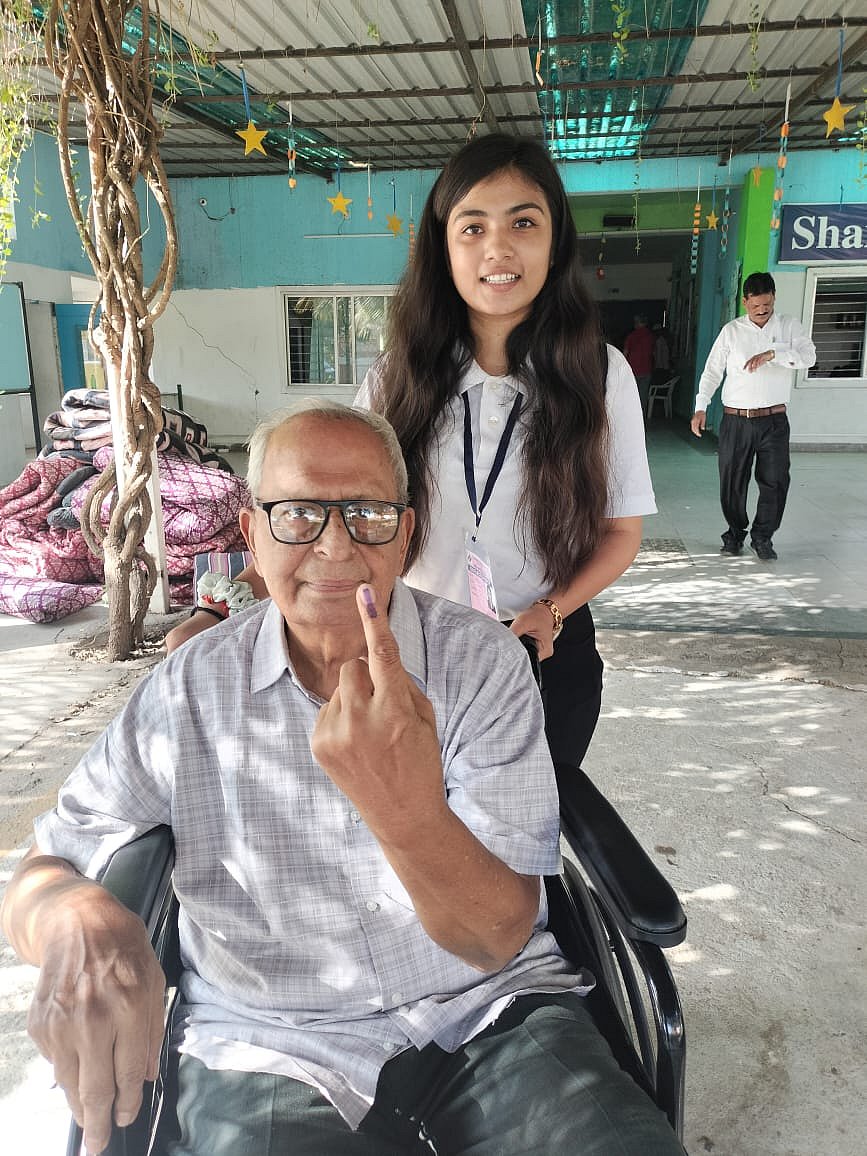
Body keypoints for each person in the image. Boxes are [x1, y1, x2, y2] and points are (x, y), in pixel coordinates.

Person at [1, 402, 683, 1156]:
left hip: (489, 1010)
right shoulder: (190, 690)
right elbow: (42, 870)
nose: (334, 546)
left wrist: (403, 806)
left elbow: (495, 939)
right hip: (270, 1035)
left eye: (366, 512)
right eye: (297, 514)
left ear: (406, 535)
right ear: (252, 539)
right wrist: (78, 917)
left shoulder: (482, 666)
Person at [168, 133, 654, 771]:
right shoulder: (398, 376)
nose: (498, 249)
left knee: (530, 831)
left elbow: (621, 531)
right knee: (417, 832)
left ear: (555, 241)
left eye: (523, 223)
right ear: (444, 248)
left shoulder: (600, 372)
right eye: (472, 227)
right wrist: (221, 601)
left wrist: (551, 610)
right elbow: (331, 507)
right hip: (413, 644)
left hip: (544, 645)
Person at [690, 272, 816, 561]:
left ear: (774, 299)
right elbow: (712, 372)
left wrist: (774, 353)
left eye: (767, 305)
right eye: (756, 305)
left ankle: (763, 537)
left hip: (773, 420)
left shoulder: (788, 326)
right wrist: (701, 407)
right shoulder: (731, 331)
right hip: (736, 420)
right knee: (732, 480)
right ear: (745, 301)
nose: (761, 311)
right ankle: (735, 532)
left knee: (775, 480)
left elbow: (809, 357)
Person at [623, 314, 655, 411]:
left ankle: (631, 414)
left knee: (631, 395)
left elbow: (625, 353)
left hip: (632, 370)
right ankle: (641, 417)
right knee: (643, 395)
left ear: (638, 323)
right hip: (646, 369)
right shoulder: (651, 336)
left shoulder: (631, 336)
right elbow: (654, 353)